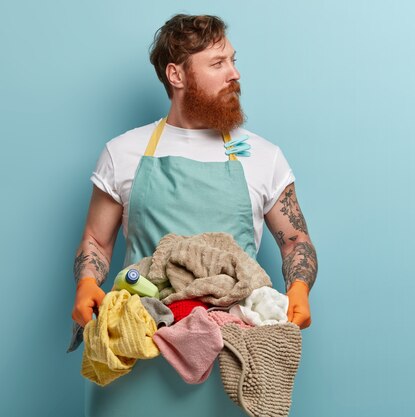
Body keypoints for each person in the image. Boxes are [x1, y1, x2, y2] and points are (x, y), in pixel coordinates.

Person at [70, 14, 317, 417]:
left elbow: (295, 241)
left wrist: (300, 290)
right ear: (176, 75)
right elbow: (96, 241)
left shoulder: (263, 156)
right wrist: (85, 285)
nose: (234, 74)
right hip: (138, 346)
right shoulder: (124, 152)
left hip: (233, 361)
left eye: (233, 61)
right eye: (218, 64)